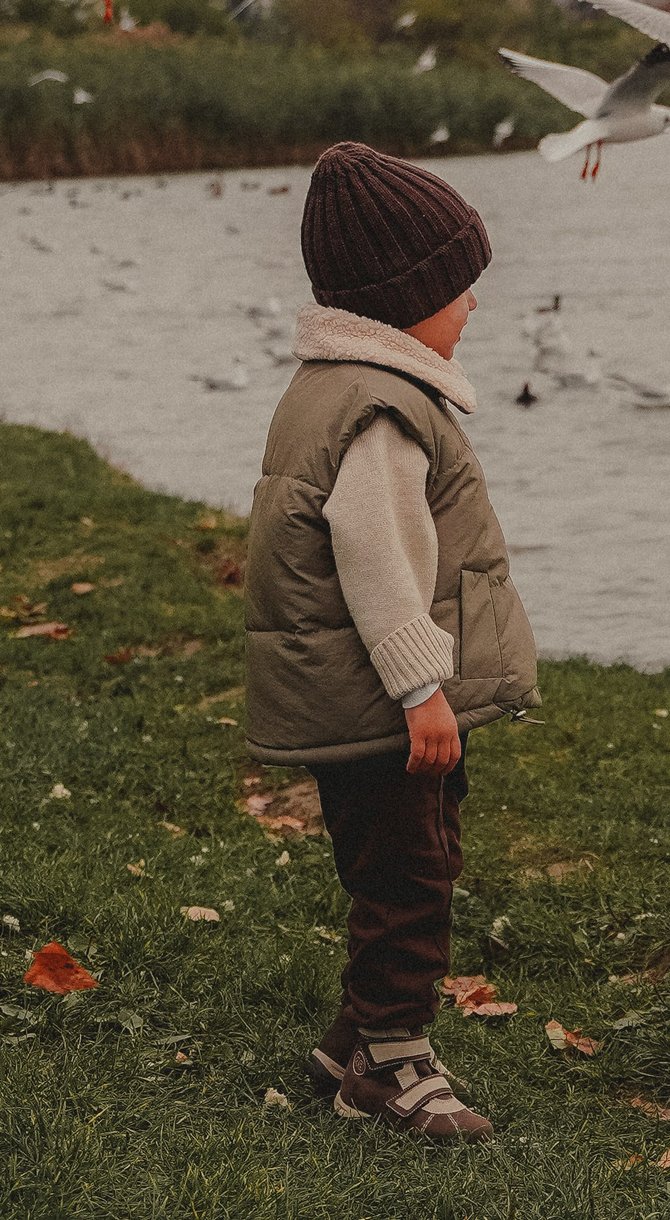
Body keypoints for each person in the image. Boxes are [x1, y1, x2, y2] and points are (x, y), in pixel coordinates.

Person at [242, 142, 539, 1144]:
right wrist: (422, 688)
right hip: (383, 702)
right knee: (411, 871)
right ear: (404, 295)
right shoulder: (383, 407)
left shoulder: (331, 384)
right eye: (459, 286)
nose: (471, 305)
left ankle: (351, 1035)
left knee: (386, 862)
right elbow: (374, 556)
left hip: (352, 694)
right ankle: (393, 1061)